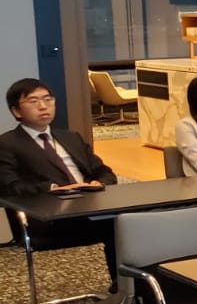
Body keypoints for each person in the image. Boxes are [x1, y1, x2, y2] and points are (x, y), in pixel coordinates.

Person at [0, 77, 119, 288]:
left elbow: (105, 172)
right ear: (16, 111)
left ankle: (129, 289)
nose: (43, 106)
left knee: (133, 224)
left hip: (90, 207)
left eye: (48, 99)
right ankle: (129, 291)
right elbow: (10, 188)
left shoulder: (71, 137)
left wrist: (98, 183)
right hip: (48, 221)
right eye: (33, 101)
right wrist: (54, 189)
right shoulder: (7, 143)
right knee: (121, 228)